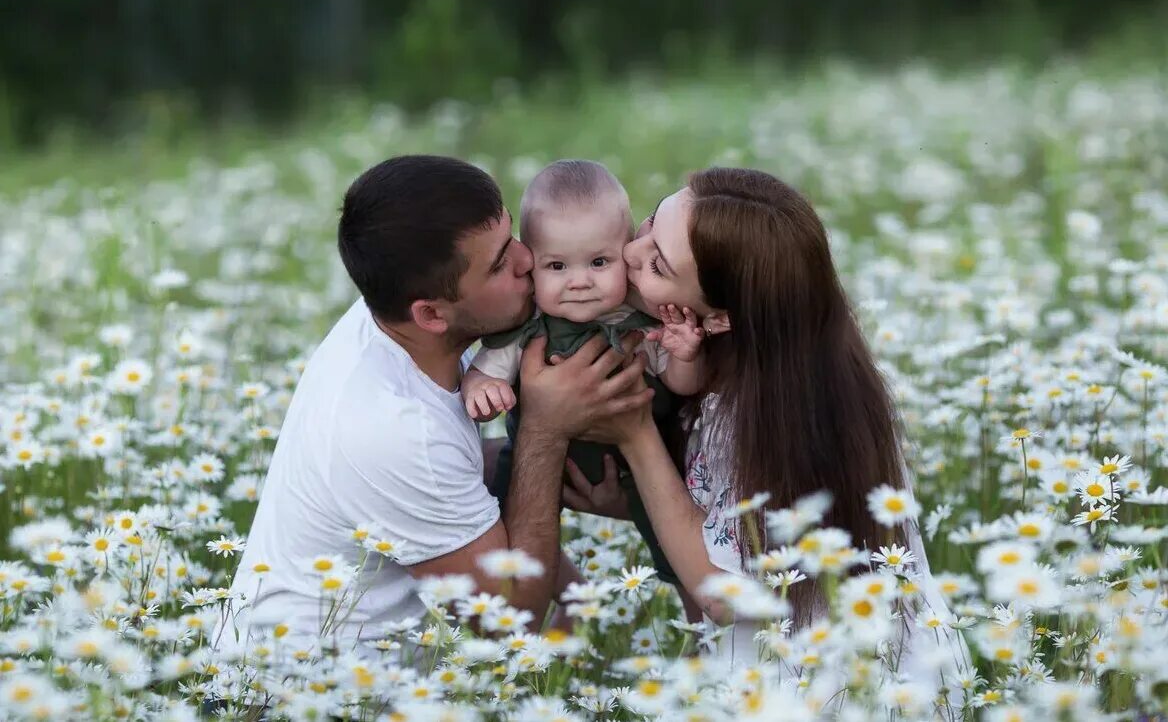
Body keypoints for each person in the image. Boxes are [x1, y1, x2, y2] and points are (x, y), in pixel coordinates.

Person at [217, 155, 653, 659]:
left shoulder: (392, 308)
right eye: (498, 265)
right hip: (298, 695)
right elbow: (511, 617)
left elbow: (459, 477)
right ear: (430, 314)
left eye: (512, 236)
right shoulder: (393, 427)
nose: (527, 260)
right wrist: (545, 430)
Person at [566, 167, 971, 686]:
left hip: (827, 689)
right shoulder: (812, 373)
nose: (629, 252)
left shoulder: (754, 419)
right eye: (648, 224)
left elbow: (723, 595)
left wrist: (635, 433)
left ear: (718, 319)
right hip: (907, 670)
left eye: (657, 265)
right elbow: (746, 528)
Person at [461, 159, 706, 587]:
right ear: (530, 263)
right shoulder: (529, 328)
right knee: (507, 523)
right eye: (557, 267)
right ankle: (549, 601)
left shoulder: (639, 322)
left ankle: (699, 623)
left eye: (598, 262)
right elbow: (486, 372)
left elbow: (681, 385)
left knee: (676, 547)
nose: (579, 282)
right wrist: (482, 388)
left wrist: (685, 354)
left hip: (640, 467)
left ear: (626, 251)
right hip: (539, 466)